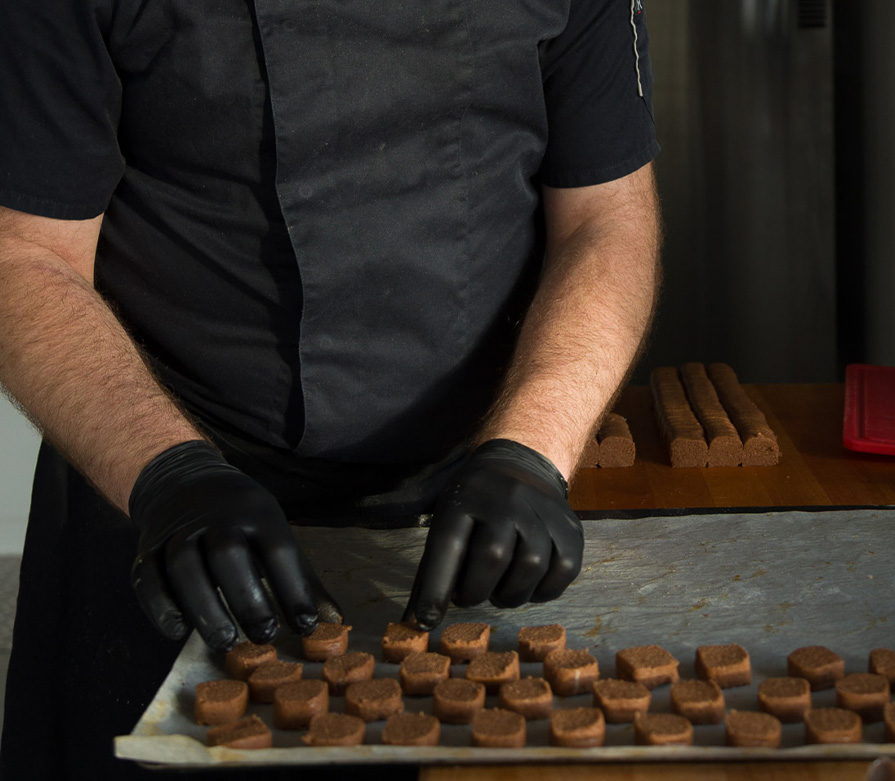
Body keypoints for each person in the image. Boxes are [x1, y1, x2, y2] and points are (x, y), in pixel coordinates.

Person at [0, 0, 661, 777]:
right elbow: (26, 253)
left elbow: (604, 213)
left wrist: (531, 449)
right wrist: (166, 472)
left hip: (464, 511)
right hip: (167, 502)